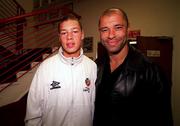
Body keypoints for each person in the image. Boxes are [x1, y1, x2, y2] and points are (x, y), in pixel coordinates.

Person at [93, 8, 173, 126]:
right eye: (105, 30)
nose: (111, 35)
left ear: (127, 29)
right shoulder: (94, 67)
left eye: (118, 27)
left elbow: (163, 119)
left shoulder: (151, 71)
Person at [25, 13, 97, 126]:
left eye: (75, 31)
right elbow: (33, 113)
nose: (69, 37)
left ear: (82, 34)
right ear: (59, 37)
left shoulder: (92, 66)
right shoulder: (45, 68)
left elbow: (93, 106)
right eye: (64, 33)